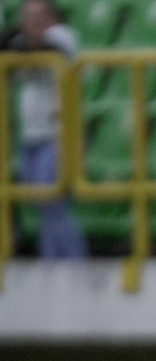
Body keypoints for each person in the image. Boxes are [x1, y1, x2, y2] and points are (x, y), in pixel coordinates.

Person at [4, 0, 85, 259]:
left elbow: (50, 50)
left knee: (53, 204)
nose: (30, 22)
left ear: (51, 16)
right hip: (31, 135)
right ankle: (52, 264)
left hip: (57, 134)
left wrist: (20, 39)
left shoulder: (63, 36)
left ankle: (73, 265)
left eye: (37, 16)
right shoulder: (23, 45)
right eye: (26, 16)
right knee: (43, 207)